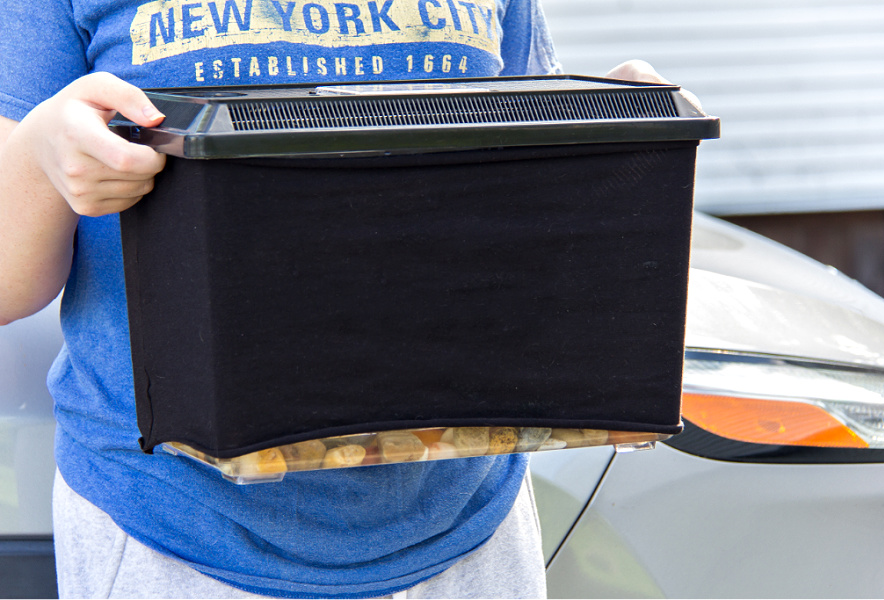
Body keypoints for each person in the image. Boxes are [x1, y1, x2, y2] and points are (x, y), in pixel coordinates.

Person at [0, 1, 670, 597]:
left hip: (465, 519)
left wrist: (611, 155)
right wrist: (40, 150)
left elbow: (512, 187)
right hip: (178, 533)